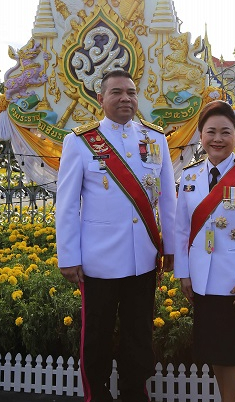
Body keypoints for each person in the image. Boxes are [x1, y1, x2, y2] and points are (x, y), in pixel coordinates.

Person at [55, 69, 176, 402]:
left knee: (139, 335)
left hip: (144, 258)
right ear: (100, 99)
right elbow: (66, 205)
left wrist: (173, 250)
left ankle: (135, 394)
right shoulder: (80, 142)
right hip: (99, 261)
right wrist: (69, 256)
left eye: (132, 92)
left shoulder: (155, 138)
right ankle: (98, 396)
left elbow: (168, 199)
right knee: (97, 335)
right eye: (117, 92)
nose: (126, 98)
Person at [173, 100, 235, 402]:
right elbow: (181, 229)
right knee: (214, 347)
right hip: (202, 280)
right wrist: (184, 274)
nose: (218, 139)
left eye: (225, 132)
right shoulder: (188, 177)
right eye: (211, 131)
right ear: (201, 135)